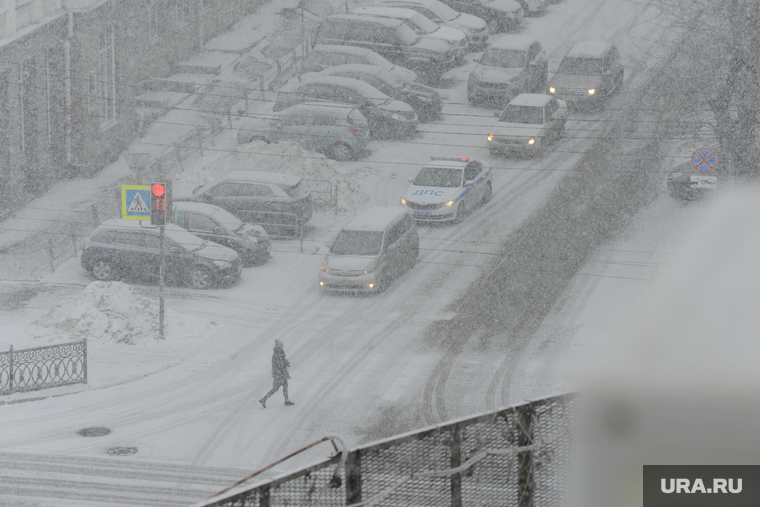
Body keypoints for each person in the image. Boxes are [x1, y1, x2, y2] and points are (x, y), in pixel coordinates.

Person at [259, 340, 294, 408]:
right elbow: (280, 364)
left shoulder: (278, 353)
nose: (283, 347)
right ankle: (264, 399)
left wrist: (285, 362)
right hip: (280, 374)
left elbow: (281, 361)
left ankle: (286, 400)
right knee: (276, 388)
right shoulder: (278, 353)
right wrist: (286, 363)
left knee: (284, 386)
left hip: (278, 374)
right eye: (282, 345)